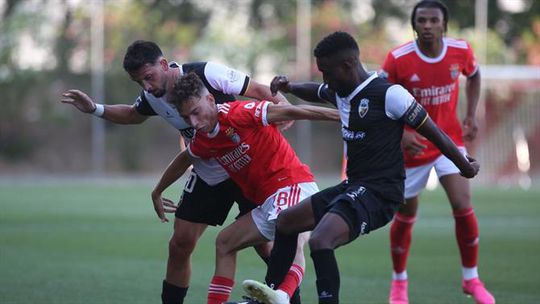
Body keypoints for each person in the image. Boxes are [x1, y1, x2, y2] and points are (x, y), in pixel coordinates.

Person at [240, 31, 480, 304]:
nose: (325, 79)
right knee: (286, 221)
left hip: (381, 193)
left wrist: (463, 164)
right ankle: (274, 295)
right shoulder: (342, 90)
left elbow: (434, 131)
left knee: (321, 241)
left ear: (347, 65)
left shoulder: (389, 94)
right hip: (354, 186)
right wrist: (290, 87)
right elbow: (316, 90)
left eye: (327, 72)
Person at [60, 40, 291, 304]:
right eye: (139, 82)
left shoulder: (206, 73)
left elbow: (259, 89)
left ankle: (288, 298)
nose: (146, 86)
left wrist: (283, 108)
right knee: (180, 244)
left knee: (262, 243)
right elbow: (135, 115)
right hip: (209, 171)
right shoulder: (152, 96)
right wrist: (95, 109)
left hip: (245, 165)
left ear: (162, 64)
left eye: (148, 77)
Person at [162, 72, 340, 304]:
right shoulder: (204, 139)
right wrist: (157, 191)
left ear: (210, 100)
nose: (194, 122)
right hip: (266, 202)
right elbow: (186, 158)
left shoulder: (240, 113)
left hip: (293, 185)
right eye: (187, 118)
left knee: (290, 240)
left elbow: (295, 111)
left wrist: (343, 116)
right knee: (225, 243)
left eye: (195, 112)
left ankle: (283, 295)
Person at [378, 1, 495, 303]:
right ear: (413, 25)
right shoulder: (398, 59)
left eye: (433, 20)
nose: (427, 25)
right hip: (412, 148)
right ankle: (399, 283)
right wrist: (402, 133)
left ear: (444, 25)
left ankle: (471, 279)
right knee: (406, 213)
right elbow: (379, 101)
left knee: (462, 202)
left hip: (449, 142)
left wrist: (470, 114)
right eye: (422, 21)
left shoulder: (460, 51)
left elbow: (475, 75)